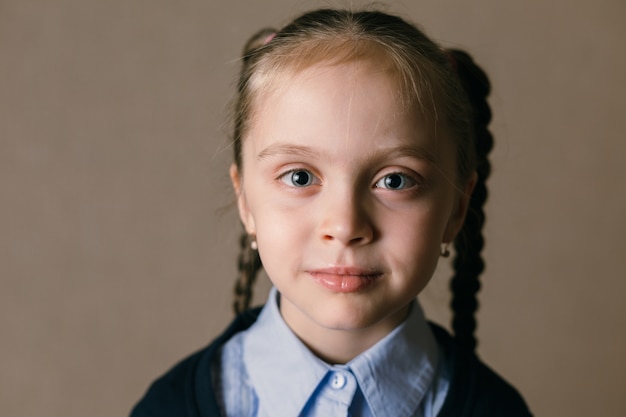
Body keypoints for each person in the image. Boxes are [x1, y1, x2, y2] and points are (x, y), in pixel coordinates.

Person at [131, 8, 532, 417]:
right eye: (300, 177)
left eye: (395, 180)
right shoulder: (167, 408)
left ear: (456, 210)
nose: (345, 226)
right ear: (245, 202)